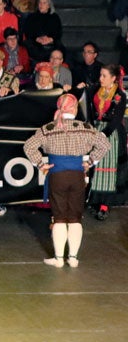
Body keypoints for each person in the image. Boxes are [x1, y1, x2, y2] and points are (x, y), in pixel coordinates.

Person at [23, 94, 110, 267]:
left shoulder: (48, 128)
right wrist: (90, 162)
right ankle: (73, 258)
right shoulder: (86, 128)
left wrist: (41, 164)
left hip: (57, 176)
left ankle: (58, 259)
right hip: (78, 175)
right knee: (76, 217)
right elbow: (105, 145)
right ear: (75, 109)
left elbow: (28, 146)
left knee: (59, 217)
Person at [85, 64, 127, 221]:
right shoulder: (96, 89)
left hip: (111, 132)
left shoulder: (120, 96)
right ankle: (94, 199)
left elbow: (116, 120)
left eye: (104, 76)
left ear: (113, 78)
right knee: (95, 165)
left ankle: (105, 203)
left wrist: (104, 134)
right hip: (96, 127)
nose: (100, 78)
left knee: (108, 167)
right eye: (101, 75)